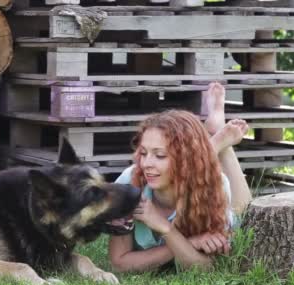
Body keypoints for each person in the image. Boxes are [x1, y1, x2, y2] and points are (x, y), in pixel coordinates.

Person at [108, 82, 253, 272]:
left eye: (160, 155)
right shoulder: (130, 182)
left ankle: (221, 145)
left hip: (208, 186)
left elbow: (206, 268)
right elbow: (119, 263)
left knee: (247, 216)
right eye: (143, 153)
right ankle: (213, 143)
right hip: (193, 170)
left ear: (184, 160)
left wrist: (164, 228)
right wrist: (188, 243)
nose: (146, 164)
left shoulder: (211, 187)